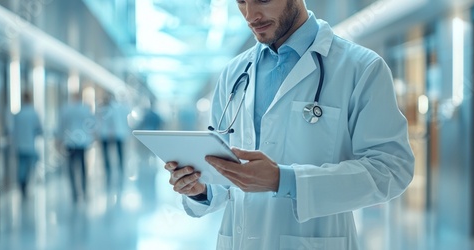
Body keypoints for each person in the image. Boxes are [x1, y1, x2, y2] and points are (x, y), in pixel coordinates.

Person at [165, 1, 415, 249]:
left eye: (263, 0)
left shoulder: (361, 68)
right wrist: (200, 188)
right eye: (241, 1)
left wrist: (286, 180)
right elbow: (226, 174)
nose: (251, 15)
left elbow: (392, 170)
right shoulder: (234, 74)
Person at [57, 92, 95, 203]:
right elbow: (91, 124)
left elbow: (61, 126)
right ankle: (84, 189)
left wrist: (59, 140)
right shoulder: (85, 109)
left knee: (71, 167)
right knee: (83, 165)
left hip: (70, 142)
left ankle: (74, 192)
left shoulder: (66, 109)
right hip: (83, 141)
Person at [96, 95, 130, 190]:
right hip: (114, 134)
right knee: (118, 153)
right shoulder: (117, 109)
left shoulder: (108, 109)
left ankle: (110, 170)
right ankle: (119, 168)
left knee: (109, 154)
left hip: (110, 134)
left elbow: (110, 122)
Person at [12, 92, 43, 199]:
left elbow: (13, 131)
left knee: (21, 168)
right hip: (30, 146)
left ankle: (22, 189)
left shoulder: (18, 115)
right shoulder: (33, 114)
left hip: (19, 146)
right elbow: (39, 129)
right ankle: (26, 188)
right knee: (29, 169)